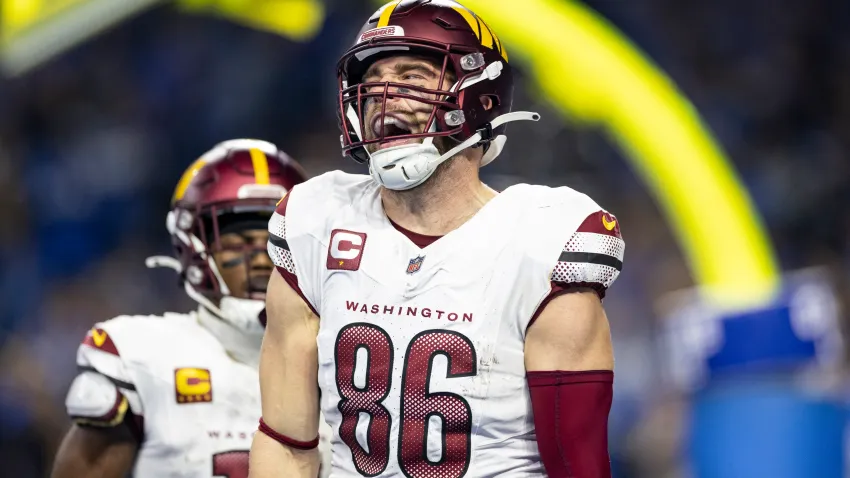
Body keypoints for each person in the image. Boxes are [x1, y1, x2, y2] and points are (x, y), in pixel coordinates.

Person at [251, 1, 624, 477]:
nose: (384, 95)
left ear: (481, 98)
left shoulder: (543, 241)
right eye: (372, 82)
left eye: (412, 77)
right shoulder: (315, 222)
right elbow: (286, 443)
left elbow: (578, 468)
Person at [51, 139, 329, 478]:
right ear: (194, 247)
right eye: (238, 241)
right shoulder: (142, 357)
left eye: (277, 244)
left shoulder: (347, 358)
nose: (261, 259)